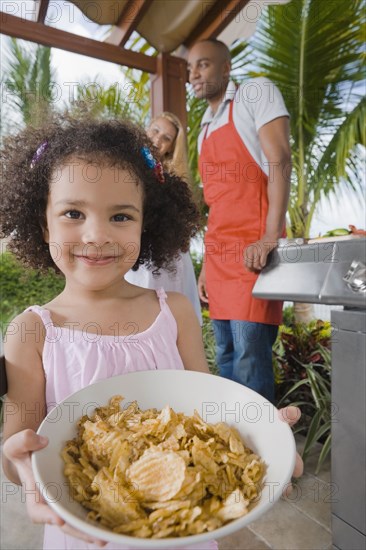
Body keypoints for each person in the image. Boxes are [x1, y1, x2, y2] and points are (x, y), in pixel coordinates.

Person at [0, 112, 302, 550]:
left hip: (185, 535)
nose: (97, 234)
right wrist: (19, 466)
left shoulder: (174, 311)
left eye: (121, 216)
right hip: (79, 535)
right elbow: (18, 448)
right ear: (43, 223)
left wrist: (257, 436)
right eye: (72, 213)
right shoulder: (32, 331)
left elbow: (207, 408)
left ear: (148, 223)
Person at [187, 39, 292, 404]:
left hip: (253, 250)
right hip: (218, 257)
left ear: (226, 67)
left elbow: (279, 159)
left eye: (202, 65)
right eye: (189, 69)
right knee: (225, 355)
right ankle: (233, 448)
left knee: (249, 356)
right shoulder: (204, 126)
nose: (193, 75)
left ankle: (263, 453)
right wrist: (205, 268)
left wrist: (268, 236)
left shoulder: (255, 93)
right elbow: (216, 202)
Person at [125, 112, 202, 324]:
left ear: (171, 148)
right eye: (155, 130)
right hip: (132, 255)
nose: (158, 139)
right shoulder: (122, 165)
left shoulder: (171, 181)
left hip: (164, 257)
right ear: (146, 129)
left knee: (167, 320)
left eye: (166, 138)